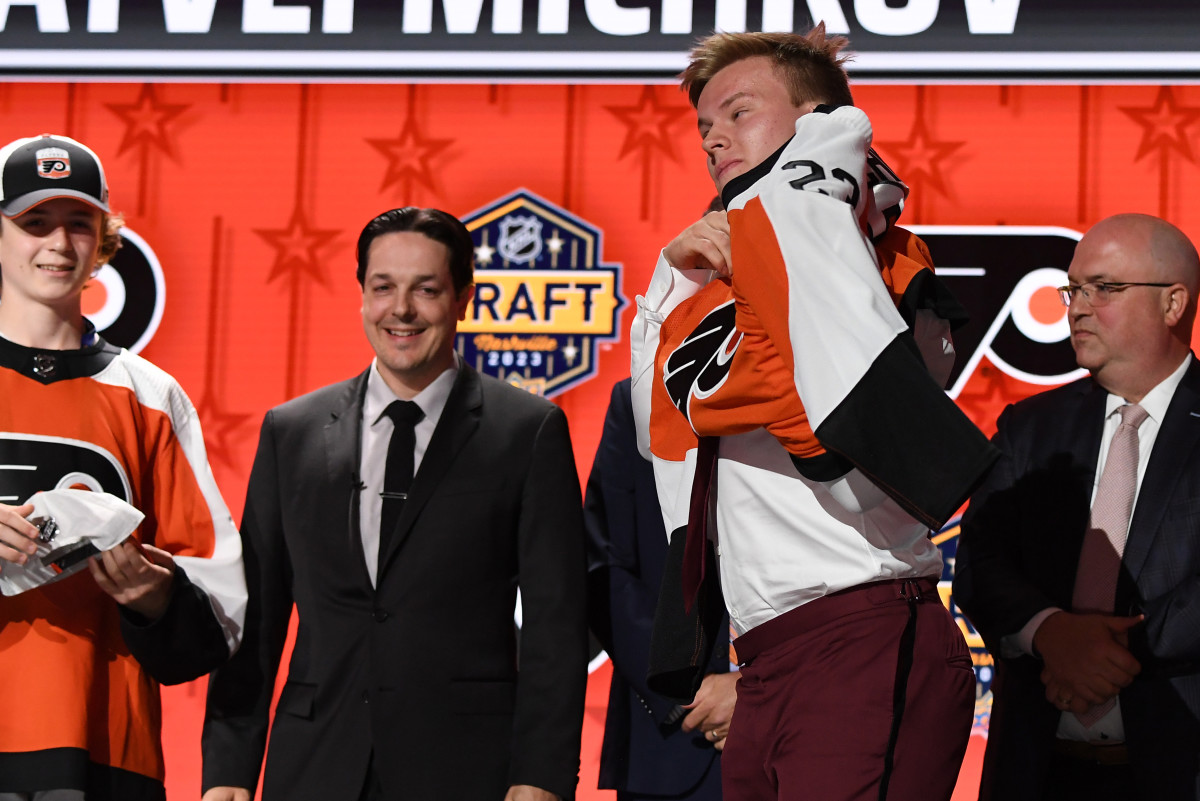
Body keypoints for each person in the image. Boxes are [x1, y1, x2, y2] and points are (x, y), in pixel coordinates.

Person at [630, 28, 992, 801]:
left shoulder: (884, 255)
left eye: (738, 111)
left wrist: (815, 173)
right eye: (703, 127)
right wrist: (669, 284)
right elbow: (659, 435)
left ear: (816, 121)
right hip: (768, 655)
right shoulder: (708, 300)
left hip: (863, 630)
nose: (714, 137)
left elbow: (834, 414)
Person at [201, 207, 588, 801]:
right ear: (362, 296)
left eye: (425, 289)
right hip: (314, 763)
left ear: (463, 298)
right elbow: (259, 616)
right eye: (383, 287)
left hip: (464, 766)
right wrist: (228, 769)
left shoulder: (527, 431)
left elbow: (554, 624)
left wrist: (541, 774)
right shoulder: (292, 431)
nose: (400, 310)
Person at [0, 134, 247, 801]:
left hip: (103, 750)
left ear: (105, 239)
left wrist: (152, 594)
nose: (58, 243)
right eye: (33, 222)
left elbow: (221, 608)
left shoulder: (150, 396)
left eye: (79, 222)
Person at [954, 213, 1200, 800]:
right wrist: (1048, 634)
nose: (1077, 307)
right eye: (1073, 289)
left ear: (1173, 304)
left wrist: (1097, 652)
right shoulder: (1030, 426)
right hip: (1037, 770)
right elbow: (979, 563)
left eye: (1104, 288)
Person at [585, 378, 731, 801]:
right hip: (670, 748)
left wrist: (761, 687)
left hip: (801, 730)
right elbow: (601, 562)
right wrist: (681, 686)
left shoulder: (813, 384)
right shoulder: (638, 400)